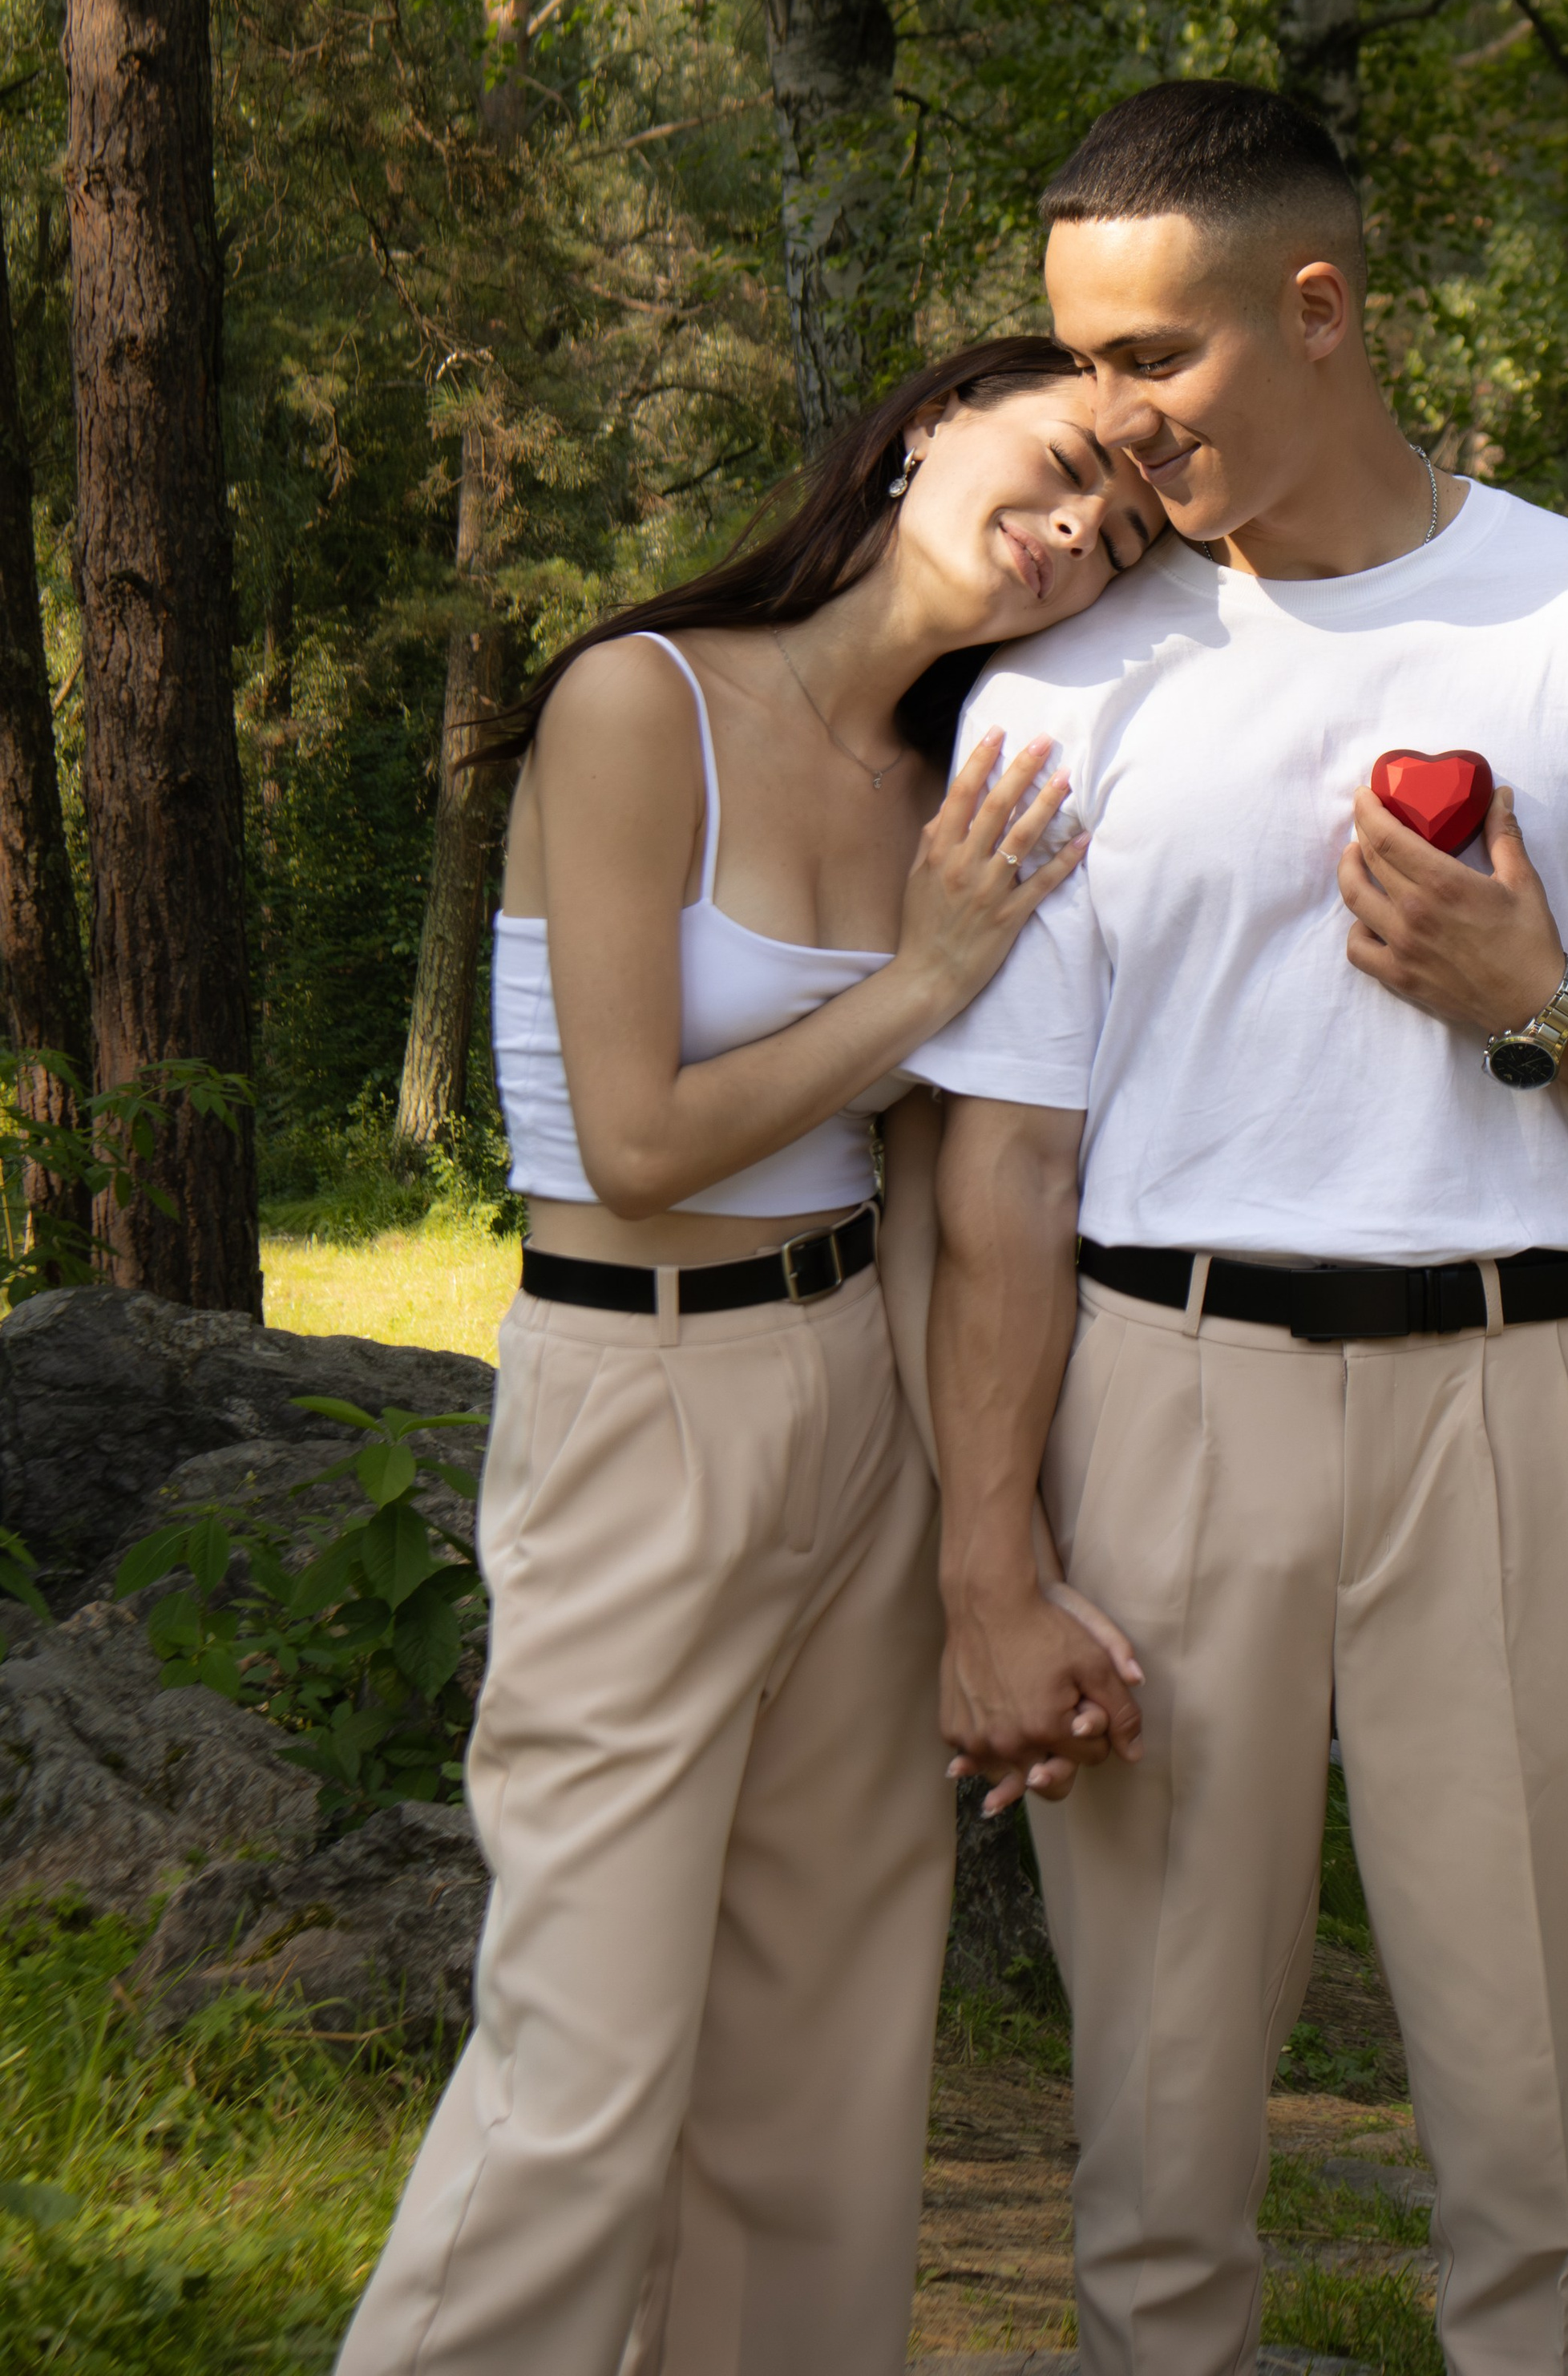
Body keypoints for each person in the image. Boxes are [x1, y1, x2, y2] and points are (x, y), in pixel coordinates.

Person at [909, 84, 1568, 2376]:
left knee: (1535, 2149)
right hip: (1170, 1406)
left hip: (1518, 1414)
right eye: (1078, 363)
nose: (1106, 425)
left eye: (1157, 361)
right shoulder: (1064, 682)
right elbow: (1005, 1169)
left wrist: (1543, 1014)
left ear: (1317, 311)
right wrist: (987, 1565)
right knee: (1153, 2144)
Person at [333, 336, 1161, 2376]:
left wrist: (987, 1552)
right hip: (637, 1394)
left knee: (824, 2067)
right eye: (1061, 464)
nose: (1074, 531)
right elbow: (639, 1142)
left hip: (854, 1398)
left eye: (1121, 534)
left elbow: (925, 1178)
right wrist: (934, 975)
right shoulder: (643, 702)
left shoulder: (952, 792)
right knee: (585, 2072)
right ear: (917, 436)